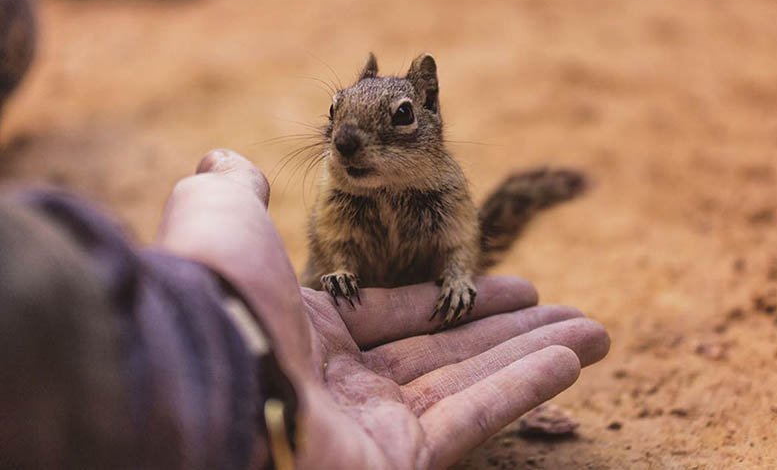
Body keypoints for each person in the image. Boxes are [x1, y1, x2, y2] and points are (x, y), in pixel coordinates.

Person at [2, 148, 609, 469]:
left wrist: (457, 275)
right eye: (336, 124)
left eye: (393, 122)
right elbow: (330, 242)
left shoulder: (444, 190)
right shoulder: (337, 191)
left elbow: (460, 242)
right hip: (337, 335)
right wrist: (236, 329)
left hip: (397, 323)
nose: (343, 143)